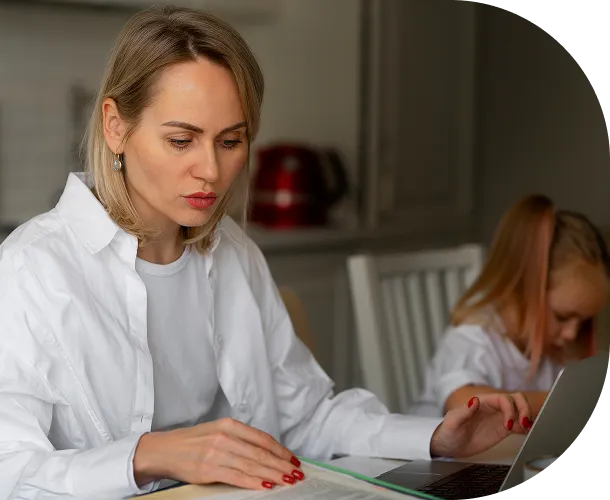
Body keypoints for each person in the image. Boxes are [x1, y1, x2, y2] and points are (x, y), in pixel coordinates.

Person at [0, 6, 533, 499]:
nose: (210, 171)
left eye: (230, 142)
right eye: (181, 141)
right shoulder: (32, 269)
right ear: (116, 126)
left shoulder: (233, 253)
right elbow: (10, 471)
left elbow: (305, 418)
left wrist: (437, 438)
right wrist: (146, 456)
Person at [410, 194, 610, 419]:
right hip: (430, 455)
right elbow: (462, 402)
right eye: (562, 317)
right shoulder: (474, 337)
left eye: (582, 323)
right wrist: (570, 401)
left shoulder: (552, 350)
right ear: (519, 289)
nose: (572, 334)